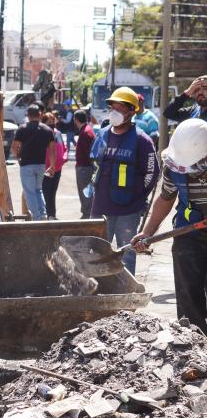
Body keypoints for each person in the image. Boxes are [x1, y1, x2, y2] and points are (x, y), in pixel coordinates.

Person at [131, 119, 207, 334]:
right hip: (189, 231)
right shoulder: (174, 165)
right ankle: (194, 340)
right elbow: (165, 198)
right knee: (188, 294)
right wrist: (147, 231)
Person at [88, 86, 159, 275]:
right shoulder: (102, 135)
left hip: (128, 210)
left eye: (120, 108)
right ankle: (97, 292)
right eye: (113, 107)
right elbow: (94, 165)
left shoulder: (142, 141)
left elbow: (152, 173)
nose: (115, 112)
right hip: (100, 208)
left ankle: (126, 295)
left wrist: (137, 195)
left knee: (127, 254)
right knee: (94, 253)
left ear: (131, 112)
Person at [11, 104, 56, 220]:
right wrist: (52, 165)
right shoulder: (47, 130)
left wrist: (18, 157)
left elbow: (14, 147)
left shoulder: (22, 128)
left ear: (28, 115)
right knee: (38, 190)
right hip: (41, 165)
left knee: (29, 192)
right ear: (40, 114)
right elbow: (52, 150)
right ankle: (43, 214)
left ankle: (37, 217)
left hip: (26, 165)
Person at [42, 112, 67, 220]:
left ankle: (52, 215)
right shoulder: (42, 133)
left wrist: (63, 159)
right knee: (45, 192)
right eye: (49, 121)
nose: (52, 123)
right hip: (46, 168)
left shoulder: (58, 133)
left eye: (53, 121)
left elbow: (64, 148)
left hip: (57, 169)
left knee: (52, 192)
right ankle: (45, 215)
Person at [73, 110, 96, 219]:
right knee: (86, 191)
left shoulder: (85, 133)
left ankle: (87, 214)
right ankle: (87, 212)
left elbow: (89, 153)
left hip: (85, 167)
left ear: (76, 120)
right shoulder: (88, 130)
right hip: (86, 167)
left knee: (85, 192)